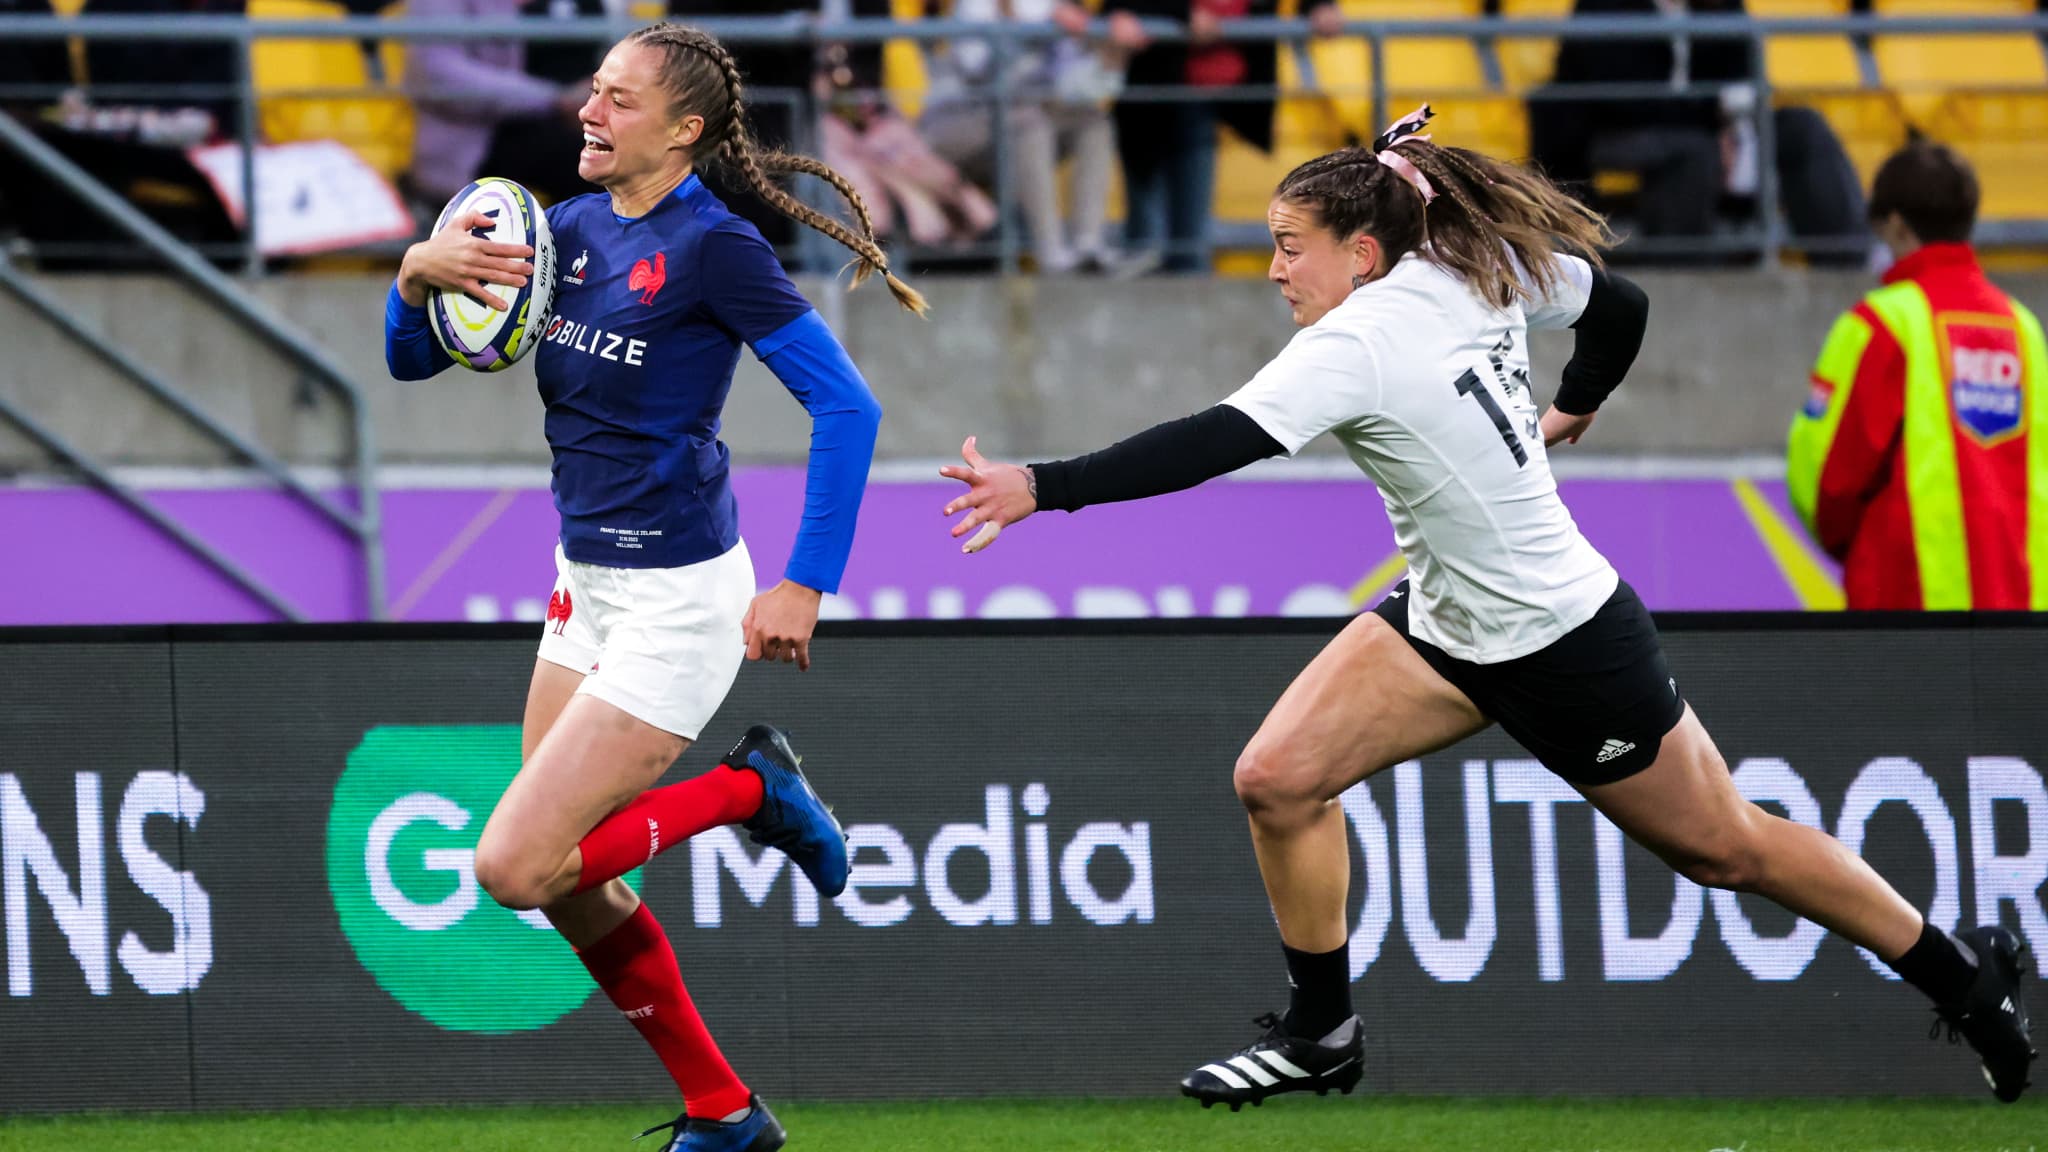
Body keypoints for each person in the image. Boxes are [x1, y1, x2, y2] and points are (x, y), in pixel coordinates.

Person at [940, 105, 2035, 1107]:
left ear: (1359, 254)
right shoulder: (1475, 266)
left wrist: (1043, 485)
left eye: (1288, 247)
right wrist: (1575, 407)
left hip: (1560, 637)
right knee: (1275, 781)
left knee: (1726, 850)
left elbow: (1212, 442)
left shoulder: (1354, 342)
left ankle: (1962, 976)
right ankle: (1323, 1033)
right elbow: (1620, 305)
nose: (1272, 270)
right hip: (1448, 620)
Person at [384, 21, 924, 1152]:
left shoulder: (717, 248)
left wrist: (805, 584)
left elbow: (848, 409)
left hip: (679, 601)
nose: (589, 112)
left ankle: (750, 793)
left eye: (618, 100)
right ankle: (725, 1113)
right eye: (592, 90)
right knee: (573, 880)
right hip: (586, 584)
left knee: (514, 865)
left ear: (682, 130)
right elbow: (418, 358)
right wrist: (413, 278)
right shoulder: (559, 228)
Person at [1789, 142, 2048, 610]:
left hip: (1903, 616)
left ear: (1895, 225)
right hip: (2021, 620)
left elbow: (1828, 479)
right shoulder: (2024, 327)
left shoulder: (1881, 324)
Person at [919, 0, 1127, 273]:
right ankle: (1050, 252)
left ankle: (1088, 244)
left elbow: (1076, 85)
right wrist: (1041, 27)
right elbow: (979, 72)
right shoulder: (974, 5)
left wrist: (1108, 52)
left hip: (1026, 112)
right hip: (961, 118)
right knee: (1031, 124)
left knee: (1094, 123)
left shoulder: (1052, 5)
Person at [405, 0, 598, 207]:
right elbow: (440, 74)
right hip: (474, 143)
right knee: (583, 163)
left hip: (548, 120)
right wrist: (555, 100)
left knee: (610, 154)